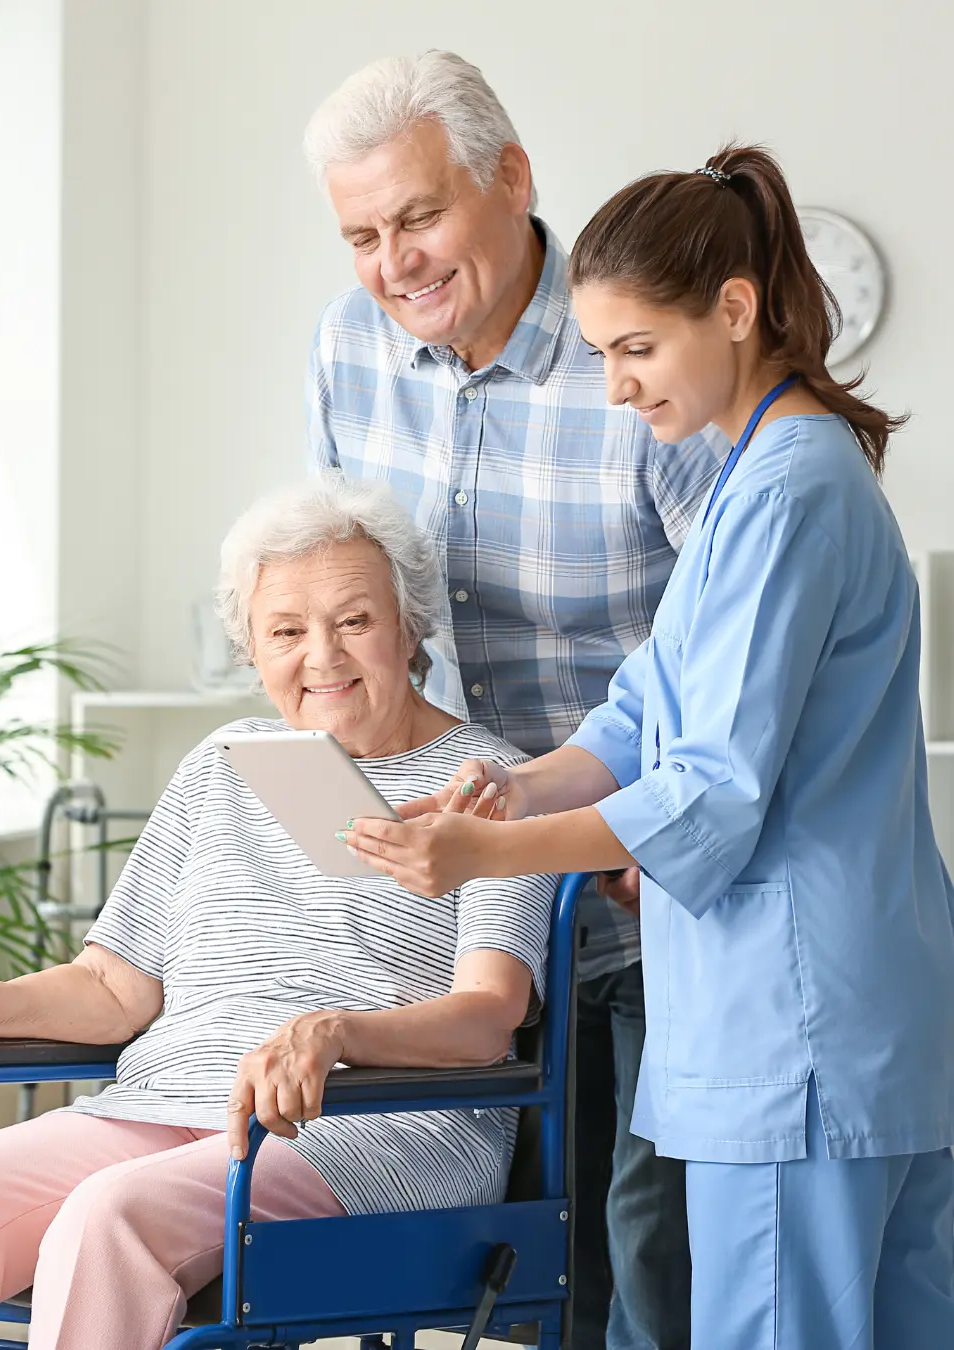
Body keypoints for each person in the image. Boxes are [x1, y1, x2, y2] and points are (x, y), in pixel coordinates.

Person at [342, 144, 954, 1350]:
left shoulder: (787, 491)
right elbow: (639, 715)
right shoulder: (755, 477)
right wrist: (511, 792)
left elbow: (710, 790)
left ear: (733, 311)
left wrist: (488, 857)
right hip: (862, 1028)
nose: (616, 390)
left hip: (797, 1034)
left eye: (634, 351)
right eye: (601, 354)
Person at [0, 474, 557, 1350]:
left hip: (372, 1123)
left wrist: (338, 1032)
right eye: (285, 631)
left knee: (107, 1218)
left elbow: (488, 1019)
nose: (323, 657)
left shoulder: (494, 787)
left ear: (410, 625)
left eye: (354, 621)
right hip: (166, 1105)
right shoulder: (224, 766)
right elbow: (115, 988)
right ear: (251, 649)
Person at [304, 50, 726, 1349]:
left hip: (645, 901)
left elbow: (736, 642)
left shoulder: (642, 356)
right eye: (364, 234)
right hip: (465, 923)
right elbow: (351, 608)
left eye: (420, 216)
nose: (396, 264)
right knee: (510, 1286)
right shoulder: (349, 347)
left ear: (515, 178)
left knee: (651, 1281)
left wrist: (649, 832)